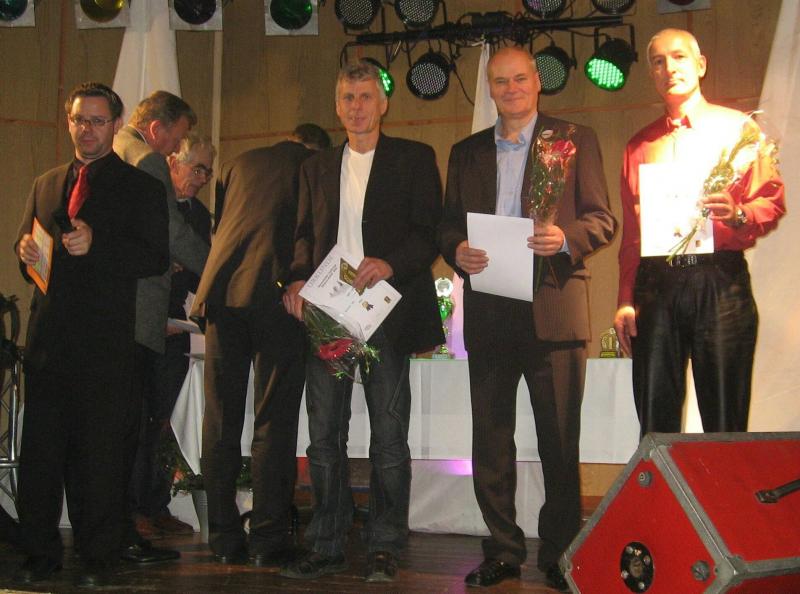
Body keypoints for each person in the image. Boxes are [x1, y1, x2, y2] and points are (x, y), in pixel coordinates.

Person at [437, 47, 616, 590]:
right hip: (490, 310)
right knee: (490, 442)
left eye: (519, 78)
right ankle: (503, 550)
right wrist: (457, 250)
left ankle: (561, 552)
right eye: (500, 81)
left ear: (538, 82)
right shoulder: (466, 152)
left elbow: (602, 219)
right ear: (490, 88)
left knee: (559, 441)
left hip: (555, 311)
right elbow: (447, 227)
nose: (510, 88)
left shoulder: (575, 138)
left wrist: (565, 238)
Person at [281, 61, 443, 583]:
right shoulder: (315, 167)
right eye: (348, 98)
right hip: (328, 315)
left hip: (386, 316)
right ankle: (326, 542)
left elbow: (430, 232)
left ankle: (385, 545)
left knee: (389, 438)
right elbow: (303, 235)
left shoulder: (414, 158)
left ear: (383, 103)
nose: (357, 107)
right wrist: (295, 280)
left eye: (366, 96)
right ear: (337, 106)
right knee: (324, 437)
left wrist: (391, 263)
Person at [13, 82, 168, 588]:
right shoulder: (46, 183)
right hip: (48, 342)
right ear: (69, 121)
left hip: (105, 345)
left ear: (116, 125)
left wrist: (98, 243)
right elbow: (30, 252)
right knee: (41, 456)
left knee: (99, 457)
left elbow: (154, 258)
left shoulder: (139, 185)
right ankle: (39, 553)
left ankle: (99, 557)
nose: (87, 130)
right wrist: (27, 254)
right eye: (80, 120)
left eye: (98, 121)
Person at [613, 29, 785, 435]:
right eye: (658, 62)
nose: (669, 68)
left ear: (700, 65)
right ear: (651, 74)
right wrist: (625, 299)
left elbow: (771, 202)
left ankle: (723, 482)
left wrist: (738, 214)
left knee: (724, 420)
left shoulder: (737, 129)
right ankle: (663, 482)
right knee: (655, 421)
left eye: (679, 57)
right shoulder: (639, 145)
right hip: (657, 284)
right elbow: (633, 235)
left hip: (719, 280)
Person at [189, 124, 330, 567]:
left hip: (220, 293)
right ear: (317, 148)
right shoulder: (315, 167)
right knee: (273, 418)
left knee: (220, 417)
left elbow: (224, 228)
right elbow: (312, 232)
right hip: (276, 294)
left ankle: (223, 536)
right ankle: (268, 537)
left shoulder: (238, 163)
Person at [112, 90, 206, 563]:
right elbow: (169, 231)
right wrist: (217, 270)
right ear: (156, 130)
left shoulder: (114, 151)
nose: (173, 151)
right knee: (131, 421)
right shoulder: (145, 160)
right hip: (137, 313)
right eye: (176, 139)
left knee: (131, 420)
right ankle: (127, 521)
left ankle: (129, 516)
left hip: (114, 310)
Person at [131, 134, 215, 538]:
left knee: (168, 421)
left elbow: (204, 272)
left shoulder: (201, 216)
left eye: (207, 172)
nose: (201, 179)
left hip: (179, 330)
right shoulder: (148, 202)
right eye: (196, 168)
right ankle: (133, 508)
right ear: (172, 163)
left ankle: (157, 503)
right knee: (139, 420)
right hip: (142, 326)